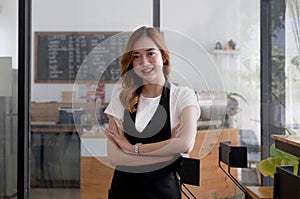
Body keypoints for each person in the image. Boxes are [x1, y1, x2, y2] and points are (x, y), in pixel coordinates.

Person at [104, 26, 200, 199]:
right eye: (136, 56)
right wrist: (169, 156)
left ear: (163, 56)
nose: (144, 63)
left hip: (164, 194)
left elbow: (185, 144)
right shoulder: (121, 99)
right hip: (123, 193)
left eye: (150, 53)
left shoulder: (183, 96)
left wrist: (131, 149)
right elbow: (115, 157)